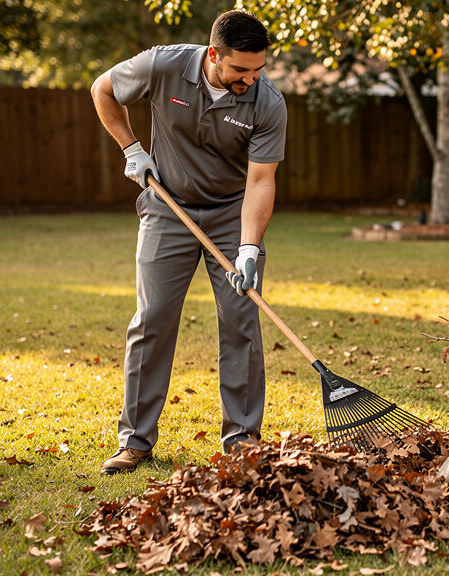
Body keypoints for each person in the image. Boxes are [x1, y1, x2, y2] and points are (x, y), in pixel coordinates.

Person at [89, 10, 286, 474]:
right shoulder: (163, 65)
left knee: (241, 321)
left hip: (230, 215)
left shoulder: (267, 102)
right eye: (240, 69)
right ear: (213, 54)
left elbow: (260, 182)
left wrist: (250, 248)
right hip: (168, 206)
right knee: (152, 317)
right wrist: (132, 149)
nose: (250, 78)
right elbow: (103, 90)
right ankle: (135, 440)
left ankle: (242, 442)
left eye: (258, 69)